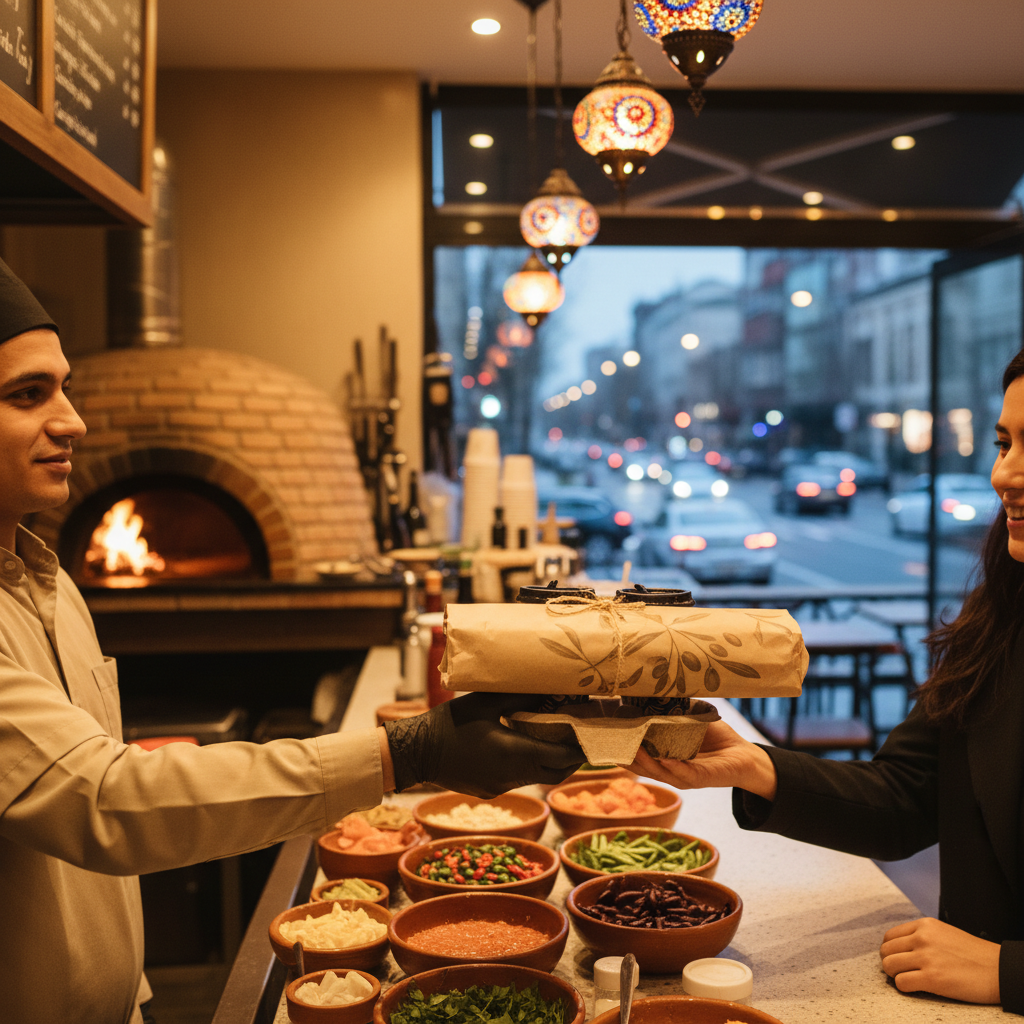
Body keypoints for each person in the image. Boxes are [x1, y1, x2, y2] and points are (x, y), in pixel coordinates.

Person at [0, 258, 584, 1024]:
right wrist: (404, 752)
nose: (73, 419)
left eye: (65, 387)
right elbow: (107, 803)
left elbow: (89, 840)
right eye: (27, 394)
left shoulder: (43, 576)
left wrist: (131, 992)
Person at [632, 345, 1024, 1015]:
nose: (1002, 475)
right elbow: (907, 796)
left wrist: (1008, 971)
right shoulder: (1004, 614)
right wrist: (752, 767)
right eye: (1003, 442)